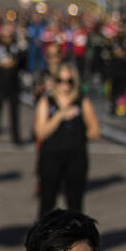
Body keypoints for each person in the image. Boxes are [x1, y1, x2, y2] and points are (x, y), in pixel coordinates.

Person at [33, 64, 100, 217]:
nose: (65, 85)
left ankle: (74, 240)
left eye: (69, 81)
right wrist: (59, 116)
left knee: (75, 205)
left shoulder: (82, 101)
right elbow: (40, 133)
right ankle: (44, 239)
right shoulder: (47, 102)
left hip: (75, 157)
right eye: (60, 80)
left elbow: (95, 131)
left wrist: (78, 136)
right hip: (51, 156)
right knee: (47, 203)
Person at [0, 22, 24, 146]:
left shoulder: (17, 47)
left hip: (14, 83)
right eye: (5, 34)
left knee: (14, 112)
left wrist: (14, 63)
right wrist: (1, 65)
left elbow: (22, 63)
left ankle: (16, 138)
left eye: (10, 35)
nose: (7, 37)